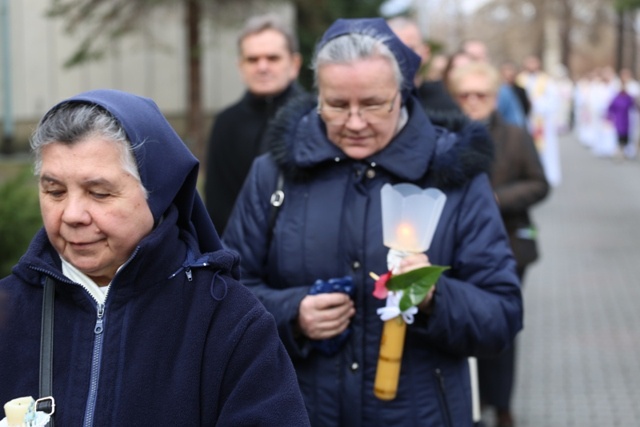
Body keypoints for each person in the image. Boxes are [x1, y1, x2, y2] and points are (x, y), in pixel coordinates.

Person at [223, 18, 523, 426]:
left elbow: (502, 315)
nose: (355, 122)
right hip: (300, 411)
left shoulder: (453, 173)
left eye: (372, 104)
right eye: (337, 105)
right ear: (317, 97)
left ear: (401, 95)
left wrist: (435, 297)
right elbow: (226, 299)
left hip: (421, 413)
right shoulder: (273, 174)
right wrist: (293, 313)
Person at [0, 89, 310, 426]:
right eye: (55, 191)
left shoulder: (227, 321)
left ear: (157, 194)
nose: (72, 214)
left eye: (99, 193)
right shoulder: (9, 311)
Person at [449, 61, 550, 427]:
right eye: (465, 95)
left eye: (482, 95)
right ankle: (471, 403)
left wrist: (495, 199)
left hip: (508, 246)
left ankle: (501, 402)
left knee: (501, 326)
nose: (473, 102)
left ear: (495, 97)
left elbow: (539, 184)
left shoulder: (514, 135)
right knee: (462, 325)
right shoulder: (446, 136)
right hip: (457, 251)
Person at [204, 13, 304, 234]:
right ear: (240, 66)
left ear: (294, 64)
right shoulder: (225, 124)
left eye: (273, 58)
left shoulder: (315, 118)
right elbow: (217, 205)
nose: (262, 67)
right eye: (253, 59)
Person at [387, 16, 460, 113]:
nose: (401, 57)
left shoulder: (447, 105)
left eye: (410, 49)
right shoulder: (370, 100)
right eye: (393, 50)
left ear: (425, 53)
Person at [517, 55, 562, 186]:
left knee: (546, 149)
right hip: (525, 120)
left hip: (543, 121)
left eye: (534, 63)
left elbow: (554, 100)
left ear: (538, 64)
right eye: (529, 63)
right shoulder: (520, 80)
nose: (531, 65)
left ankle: (548, 174)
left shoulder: (546, 80)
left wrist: (537, 104)